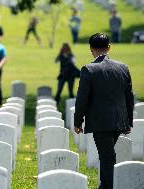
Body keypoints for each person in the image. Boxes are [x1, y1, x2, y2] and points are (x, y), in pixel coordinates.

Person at [74, 33, 134, 189]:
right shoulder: (123, 67)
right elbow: (129, 97)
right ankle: (106, 185)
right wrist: (128, 121)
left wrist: (78, 121)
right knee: (107, 156)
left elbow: (82, 99)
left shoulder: (88, 69)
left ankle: (109, 186)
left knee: (106, 157)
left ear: (91, 49)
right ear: (109, 47)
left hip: (100, 121)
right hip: (119, 120)